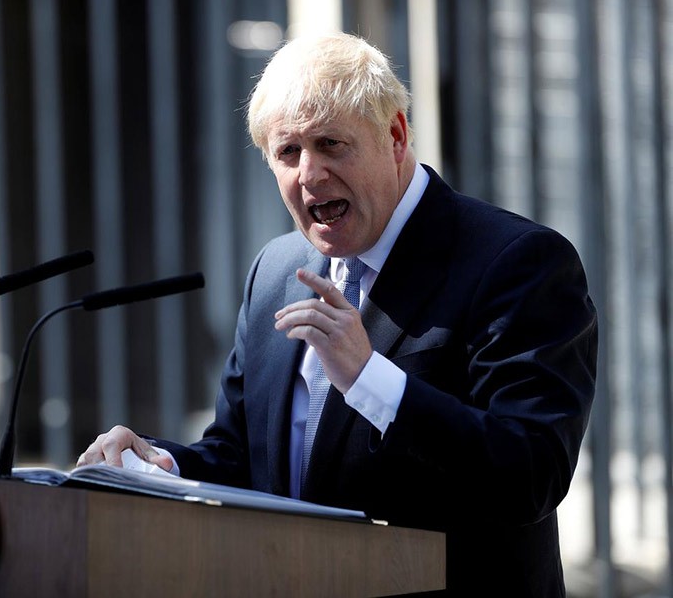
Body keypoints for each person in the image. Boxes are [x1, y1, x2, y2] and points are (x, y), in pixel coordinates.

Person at [77, 33, 597, 596]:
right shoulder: (275, 270)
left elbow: (530, 475)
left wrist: (370, 378)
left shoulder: (517, 262)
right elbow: (241, 457)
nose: (309, 174)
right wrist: (156, 465)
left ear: (395, 136)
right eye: (288, 152)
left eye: (330, 144)